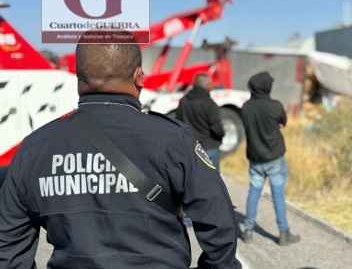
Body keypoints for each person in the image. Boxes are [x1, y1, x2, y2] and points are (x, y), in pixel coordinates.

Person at [0, 40, 242, 269]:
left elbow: (8, 245)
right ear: (139, 77)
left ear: (78, 78)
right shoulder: (173, 140)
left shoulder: (33, 149)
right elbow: (218, 221)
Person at [240, 71, 300, 246]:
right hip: (274, 158)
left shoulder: (245, 107)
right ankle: (283, 233)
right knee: (278, 195)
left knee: (254, 193)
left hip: (255, 159)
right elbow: (283, 122)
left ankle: (248, 231)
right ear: (267, 87)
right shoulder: (275, 106)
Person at [176, 72, 225, 171]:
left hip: (189, 148)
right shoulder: (210, 104)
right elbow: (217, 129)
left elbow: (178, 123)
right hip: (209, 148)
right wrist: (221, 135)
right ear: (208, 86)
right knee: (213, 183)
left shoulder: (183, 101)